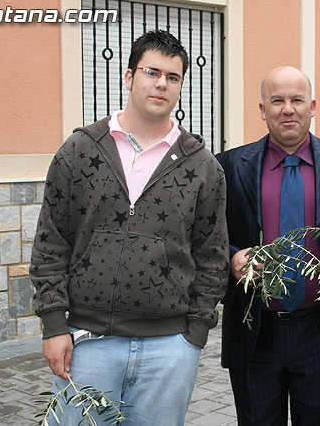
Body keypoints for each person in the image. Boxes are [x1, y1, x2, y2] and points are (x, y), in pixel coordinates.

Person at [30, 30, 229, 425]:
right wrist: (54, 325)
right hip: (86, 345)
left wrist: (195, 336)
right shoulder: (81, 150)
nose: (161, 84)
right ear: (128, 76)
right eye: (151, 72)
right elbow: (51, 241)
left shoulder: (202, 165)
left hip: (169, 349)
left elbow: (213, 254)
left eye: (173, 77)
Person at [217, 66, 320, 426]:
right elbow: (210, 242)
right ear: (263, 109)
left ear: (312, 107)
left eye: (296, 100)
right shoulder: (231, 165)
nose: (287, 109)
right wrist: (232, 259)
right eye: (277, 100)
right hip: (254, 333)